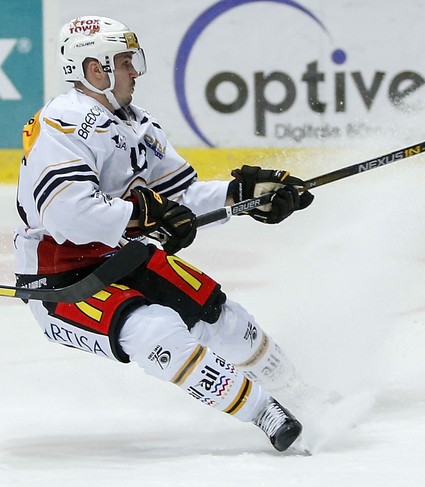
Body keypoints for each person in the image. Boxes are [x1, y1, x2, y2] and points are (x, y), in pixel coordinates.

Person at [16, 16, 317, 452]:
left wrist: (241, 195)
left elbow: (183, 196)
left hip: (124, 253)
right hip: (62, 276)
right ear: (94, 69)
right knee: (154, 330)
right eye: (124, 61)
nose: (135, 70)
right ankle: (264, 411)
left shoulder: (139, 126)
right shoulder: (62, 125)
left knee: (224, 318)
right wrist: (144, 215)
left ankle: (301, 394)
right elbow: (69, 217)